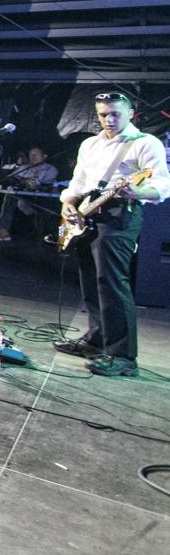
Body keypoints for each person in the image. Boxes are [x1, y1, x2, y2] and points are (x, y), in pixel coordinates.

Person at [53, 92, 170, 377]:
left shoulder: (145, 142)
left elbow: (162, 186)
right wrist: (68, 204)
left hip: (120, 213)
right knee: (90, 279)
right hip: (87, 213)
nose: (109, 119)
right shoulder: (90, 144)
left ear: (130, 113)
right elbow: (79, 182)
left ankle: (123, 356)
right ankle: (95, 340)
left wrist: (137, 191)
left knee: (112, 282)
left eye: (116, 114)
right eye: (103, 115)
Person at [0, 146, 59, 241]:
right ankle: (3, 231)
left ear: (44, 156)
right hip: (26, 200)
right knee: (11, 195)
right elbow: (9, 178)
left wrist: (25, 182)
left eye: (36, 154)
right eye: (31, 155)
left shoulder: (51, 169)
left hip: (44, 201)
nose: (33, 157)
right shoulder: (24, 168)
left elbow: (37, 184)